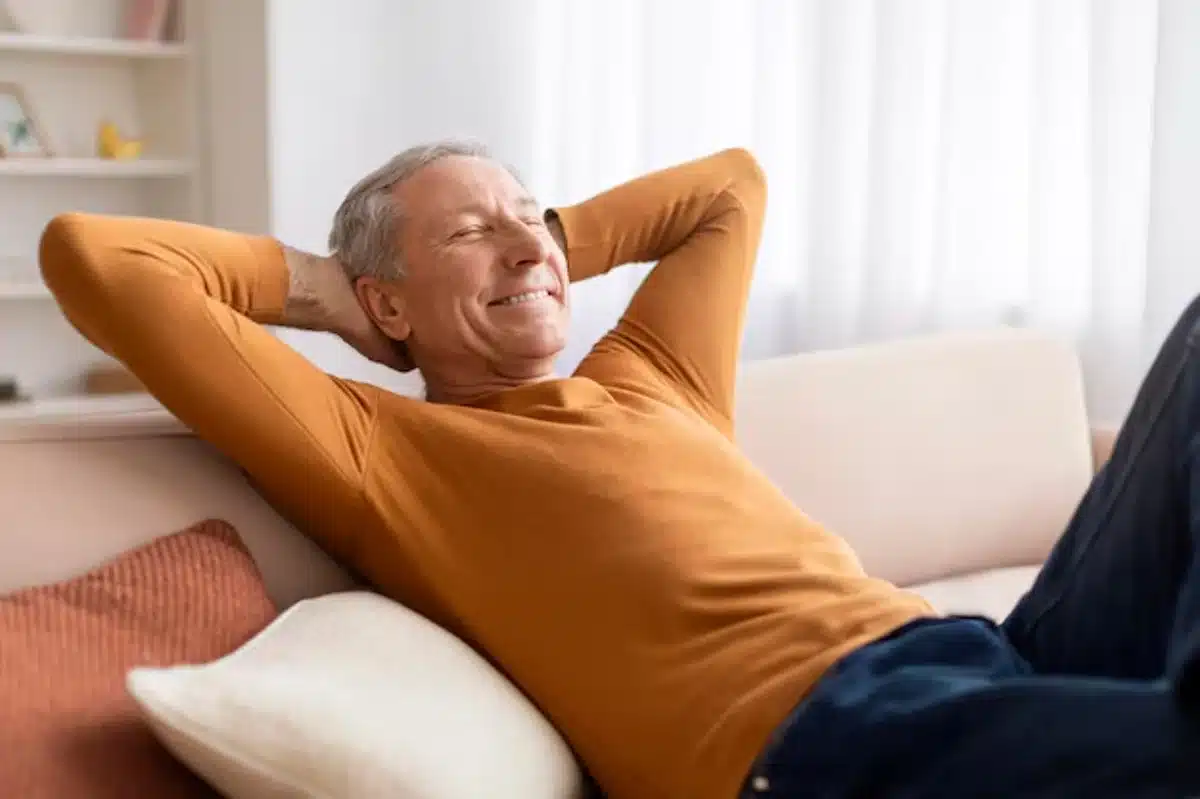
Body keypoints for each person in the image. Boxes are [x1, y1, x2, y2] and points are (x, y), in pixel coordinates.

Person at [36, 140, 1200, 799]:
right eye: (468, 234)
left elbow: (730, 188)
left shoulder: (651, 375)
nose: (523, 243)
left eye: (529, 216)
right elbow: (95, 256)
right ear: (388, 303)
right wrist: (330, 292)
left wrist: (539, 242)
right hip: (827, 743)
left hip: (976, 653)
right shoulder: (383, 451)